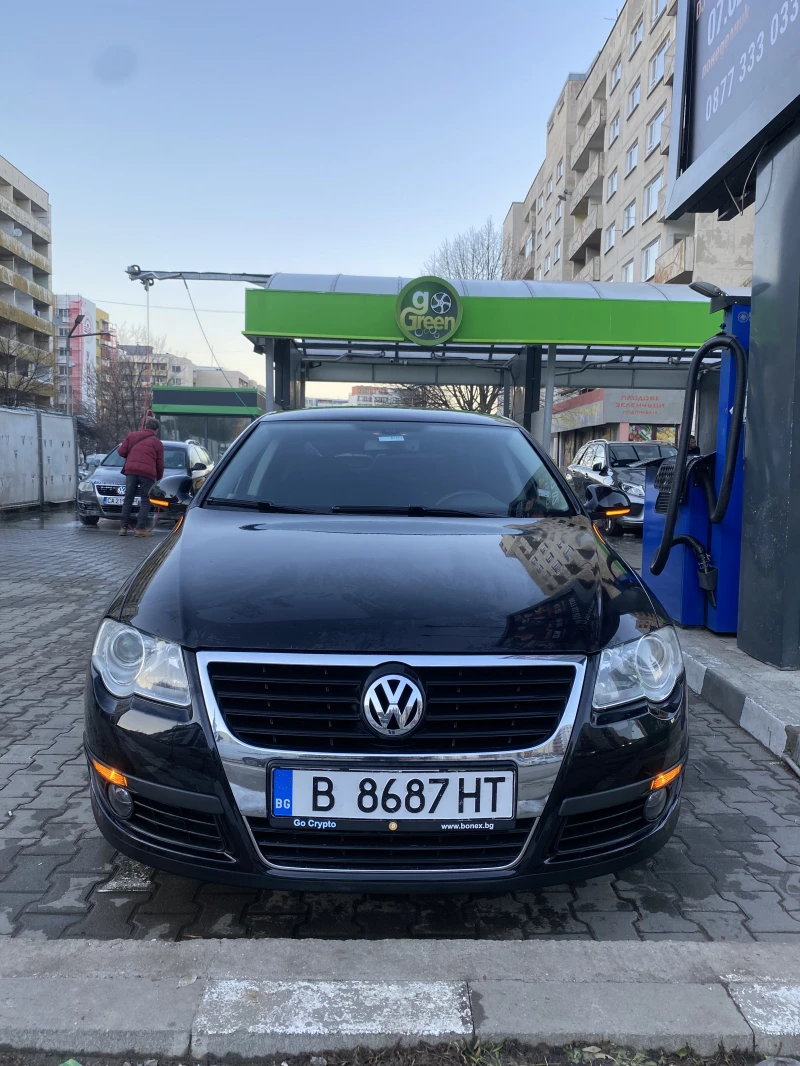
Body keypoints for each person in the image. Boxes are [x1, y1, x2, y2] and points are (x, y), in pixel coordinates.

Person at [117, 418, 164, 537]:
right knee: (145, 500)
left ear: (145, 427)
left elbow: (121, 452)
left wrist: (132, 456)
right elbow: (160, 463)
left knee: (128, 499)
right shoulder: (157, 443)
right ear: (156, 430)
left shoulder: (132, 436)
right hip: (147, 474)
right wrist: (158, 479)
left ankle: (123, 528)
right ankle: (140, 529)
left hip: (131, 471)